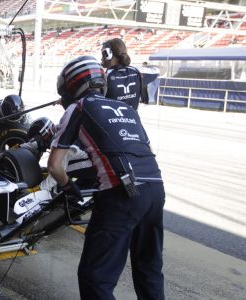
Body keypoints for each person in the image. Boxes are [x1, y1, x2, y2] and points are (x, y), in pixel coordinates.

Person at [48, 56, 165, 299]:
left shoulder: (77, 108)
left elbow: (55, 166)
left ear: (72, 86)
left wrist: (69, 187)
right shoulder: (129, 111)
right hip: (156, 190)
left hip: (121, 193)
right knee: (148, 269)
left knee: (96, 277)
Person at [18, 117, 95, 192]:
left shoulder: (64, 147)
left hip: (93, 164)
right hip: (87, 152)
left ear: (46, 135)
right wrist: (19, 147)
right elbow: (37, 143)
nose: (38, 141)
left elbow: (56, 174)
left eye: (38, 138)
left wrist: (36, 189)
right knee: (55, 167)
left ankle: (56, 193)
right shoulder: (56, 130)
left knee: (59, 172)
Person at [101, 38, 143, 110]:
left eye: (103, 54)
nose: (101, 58)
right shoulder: (135, 71)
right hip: (134, 119)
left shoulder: (106, 76)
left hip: (111, 120)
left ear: (108, 54)